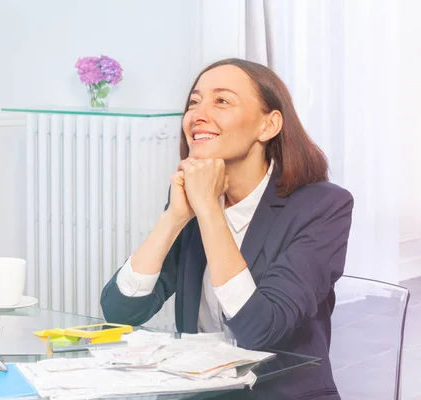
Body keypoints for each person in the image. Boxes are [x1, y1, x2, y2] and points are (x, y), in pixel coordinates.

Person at [100, 58, 353, 399]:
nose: (197, 115)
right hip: (201, 391)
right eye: (194, 102)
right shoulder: (194, 198)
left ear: (269, 125)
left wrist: (208, 211)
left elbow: (260, 329)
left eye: (221, 101)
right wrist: (174, 218)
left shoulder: (323, 206)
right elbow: (121, 312)